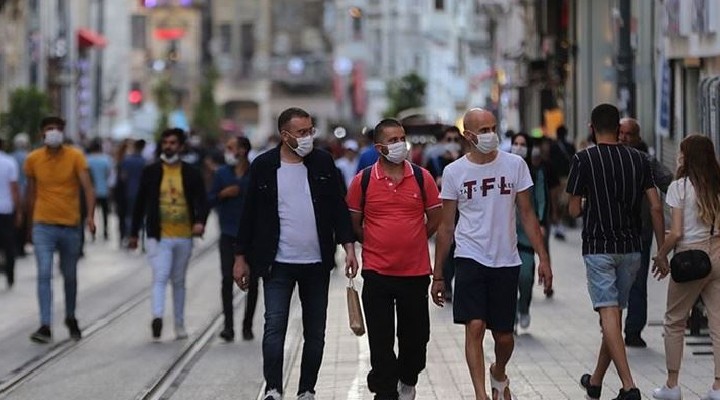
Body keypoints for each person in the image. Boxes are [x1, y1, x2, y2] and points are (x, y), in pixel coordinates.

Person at [232, 107, 358, 400]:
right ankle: (273, 388)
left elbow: (338, 207)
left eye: (310, 130)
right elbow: (249, 213)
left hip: (317, 263)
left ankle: (306, 390)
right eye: (301, 132)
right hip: (277, 263)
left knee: (315, 332)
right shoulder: (264, 166)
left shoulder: (323, 162)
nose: (308, 137)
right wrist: (240, 258)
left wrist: (349, 247)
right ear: (284, 135)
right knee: (274, 326)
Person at [431, 108, 552, 400]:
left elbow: (528, 214)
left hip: (506, 260)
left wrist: (544, 258)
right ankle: (481, 394)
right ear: (468, 135)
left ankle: (498, 372)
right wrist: (438, 275)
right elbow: (446, 227)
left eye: (493, 128)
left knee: (504, 337)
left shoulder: (515, 165)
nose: (490, 135)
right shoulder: (454, 172)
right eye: (483, 130)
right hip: (469, 257)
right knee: (474, 326)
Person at [567, 104, 665, 400]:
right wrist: (662, 250)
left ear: (592, 127)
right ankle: (595, 382)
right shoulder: (639, 159)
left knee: (608, 316)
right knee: (613, 317)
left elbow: (573, 210)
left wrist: (590, 203)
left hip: (599, 247)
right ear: (618, 128)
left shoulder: (583, 159)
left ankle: (629, 387)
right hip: (632, 249)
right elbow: (656, 206)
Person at [346, 119, 442, 400]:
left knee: (416, 339)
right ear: (379, 147)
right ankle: (385, 391)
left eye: (402, 138)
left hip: (415, 273)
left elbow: (435, 218)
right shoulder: (363, 181)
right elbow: (354, 224)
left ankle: (408, 379)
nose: (401, 144)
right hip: (377, 273)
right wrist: (375, 243)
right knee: (381, 340)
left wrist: (413, 238)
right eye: (393, 140)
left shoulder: (422, 177)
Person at [651, 134, 720, 400]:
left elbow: (677, 232)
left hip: (691, 258)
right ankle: (717, 386)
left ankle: (672, 385)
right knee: (717, 320)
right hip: (717, 254)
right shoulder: (717, 185)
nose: (678, 156)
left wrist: (661, 254)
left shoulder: (679, 188)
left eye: (681, 152)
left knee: (675, 320)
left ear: (688, 156)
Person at [129, 128, 209, 340]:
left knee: (179, 281)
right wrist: (134, 233)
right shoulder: (151, 171)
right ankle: (157, 316)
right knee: (161, 275)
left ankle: (179, 324)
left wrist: (200, 221)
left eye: (173, 143)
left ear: (181, 146)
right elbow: (140, 203)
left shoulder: (191, 173)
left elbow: (202, 201)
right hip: (158, 235)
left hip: (184, 235)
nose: (168, 146)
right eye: (165, 142)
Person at [24, 116, 96, 343]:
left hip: (70, 226)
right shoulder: (33, 159)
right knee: (44, 273)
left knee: (70, 275)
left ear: (63, 132)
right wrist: (28, 224)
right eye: (49, 128)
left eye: (57, 129)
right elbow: (31, 193)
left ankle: (70, 316)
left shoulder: (75, 156)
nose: (53, 132)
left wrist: (90, 216)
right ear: (42, 133)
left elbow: (88, 188)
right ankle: (45, 324)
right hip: (43, 224)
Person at [618, 117, 673, 348]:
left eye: (628, 134)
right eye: (620, 133)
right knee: (613, 282)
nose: (623, 138)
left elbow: (669, 182)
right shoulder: (609, 158)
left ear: (638, 137)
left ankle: (633, 330)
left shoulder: (646, 161)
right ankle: (610, 326)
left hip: (639, 230)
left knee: (637, 283)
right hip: (613, 231)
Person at [208, 136, 256, 342]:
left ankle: (247, 325)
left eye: (231, 147)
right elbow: (209, 200)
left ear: (242, 150)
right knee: (227, 278)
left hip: (252, 236)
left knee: (253, 281)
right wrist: (222, 194)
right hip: (228, 233)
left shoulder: (255, 172)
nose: (227, 151)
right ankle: (228, 326)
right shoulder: (222, 173)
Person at [510, 132, 550, 330]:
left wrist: (541, 222)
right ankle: (511, 317)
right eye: (515, 143)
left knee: (525, 275)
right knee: (508, 279)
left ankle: (524, 306)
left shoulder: (535, 172)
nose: (519, 147)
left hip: (527, 233)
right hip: (507, 232)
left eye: (523, 144)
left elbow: (541, 199)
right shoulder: (503, 171)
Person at [548, 125, 576, 240]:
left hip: (555, 178)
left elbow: (550, 161)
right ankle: (562, 222)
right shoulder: (570, 146)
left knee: (556, 202)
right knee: (564, 201)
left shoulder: (553, 146)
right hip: (567, 177)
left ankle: (558, 223)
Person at [0, 137, 21, 287]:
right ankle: (10, 274)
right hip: (6, 209)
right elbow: (14, 188)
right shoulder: (9, 162)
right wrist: (18, 210)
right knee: (9, 244)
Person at [119, 139, 146, 244]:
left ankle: (129, 237)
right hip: (142, 192)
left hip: (129, 191)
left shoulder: (127, 160)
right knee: (141, 216)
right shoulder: (144, 161)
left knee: (129, 215)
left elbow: (123, 176)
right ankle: (141, 238)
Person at [86, 139, 113, 240]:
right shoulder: (106, 159)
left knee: (92, 213)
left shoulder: (87, 159)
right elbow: (109, 174)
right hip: (104, 190)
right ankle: (105, 231)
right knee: (105, 213)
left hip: (91, 191)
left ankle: (93, 231)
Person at [11, 133, 30, 257]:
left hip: (12, 194)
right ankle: (22, 247)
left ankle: (15, 247)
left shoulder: (10, 157)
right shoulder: (29, 157)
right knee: (24, 221)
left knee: (14, 221)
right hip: (25, 193)